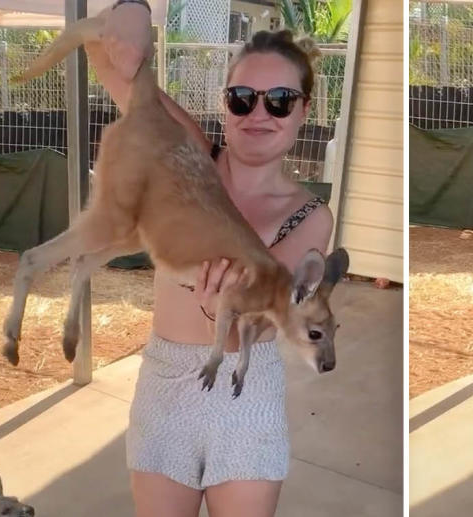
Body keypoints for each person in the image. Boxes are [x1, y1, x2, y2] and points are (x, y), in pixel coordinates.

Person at [84, 1, 333, 516]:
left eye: (280, 100)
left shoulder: (309, 216)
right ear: (225, 106)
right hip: (166, 386)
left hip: (247, 398)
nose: (259, 113)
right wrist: (129, 17)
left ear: (305, 110)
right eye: (242, 98)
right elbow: (107, 59)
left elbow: (266, 321)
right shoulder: (188, 156)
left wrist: (227, 309)